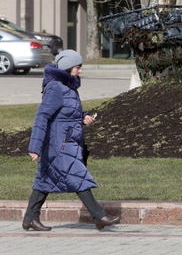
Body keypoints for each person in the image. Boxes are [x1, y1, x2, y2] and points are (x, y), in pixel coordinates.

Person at [22, 50, 120, 231]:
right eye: (78, 67)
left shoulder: (67, 87)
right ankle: (99, 216)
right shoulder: (56, 88)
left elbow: (66, 112)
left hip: (67, 140)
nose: (80, 71)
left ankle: (30, 218)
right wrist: (34, 147)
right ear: (67, 67)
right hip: (59, 143)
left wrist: (83, 117)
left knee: (45, 179)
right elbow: (42, 116)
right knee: (77, 175)